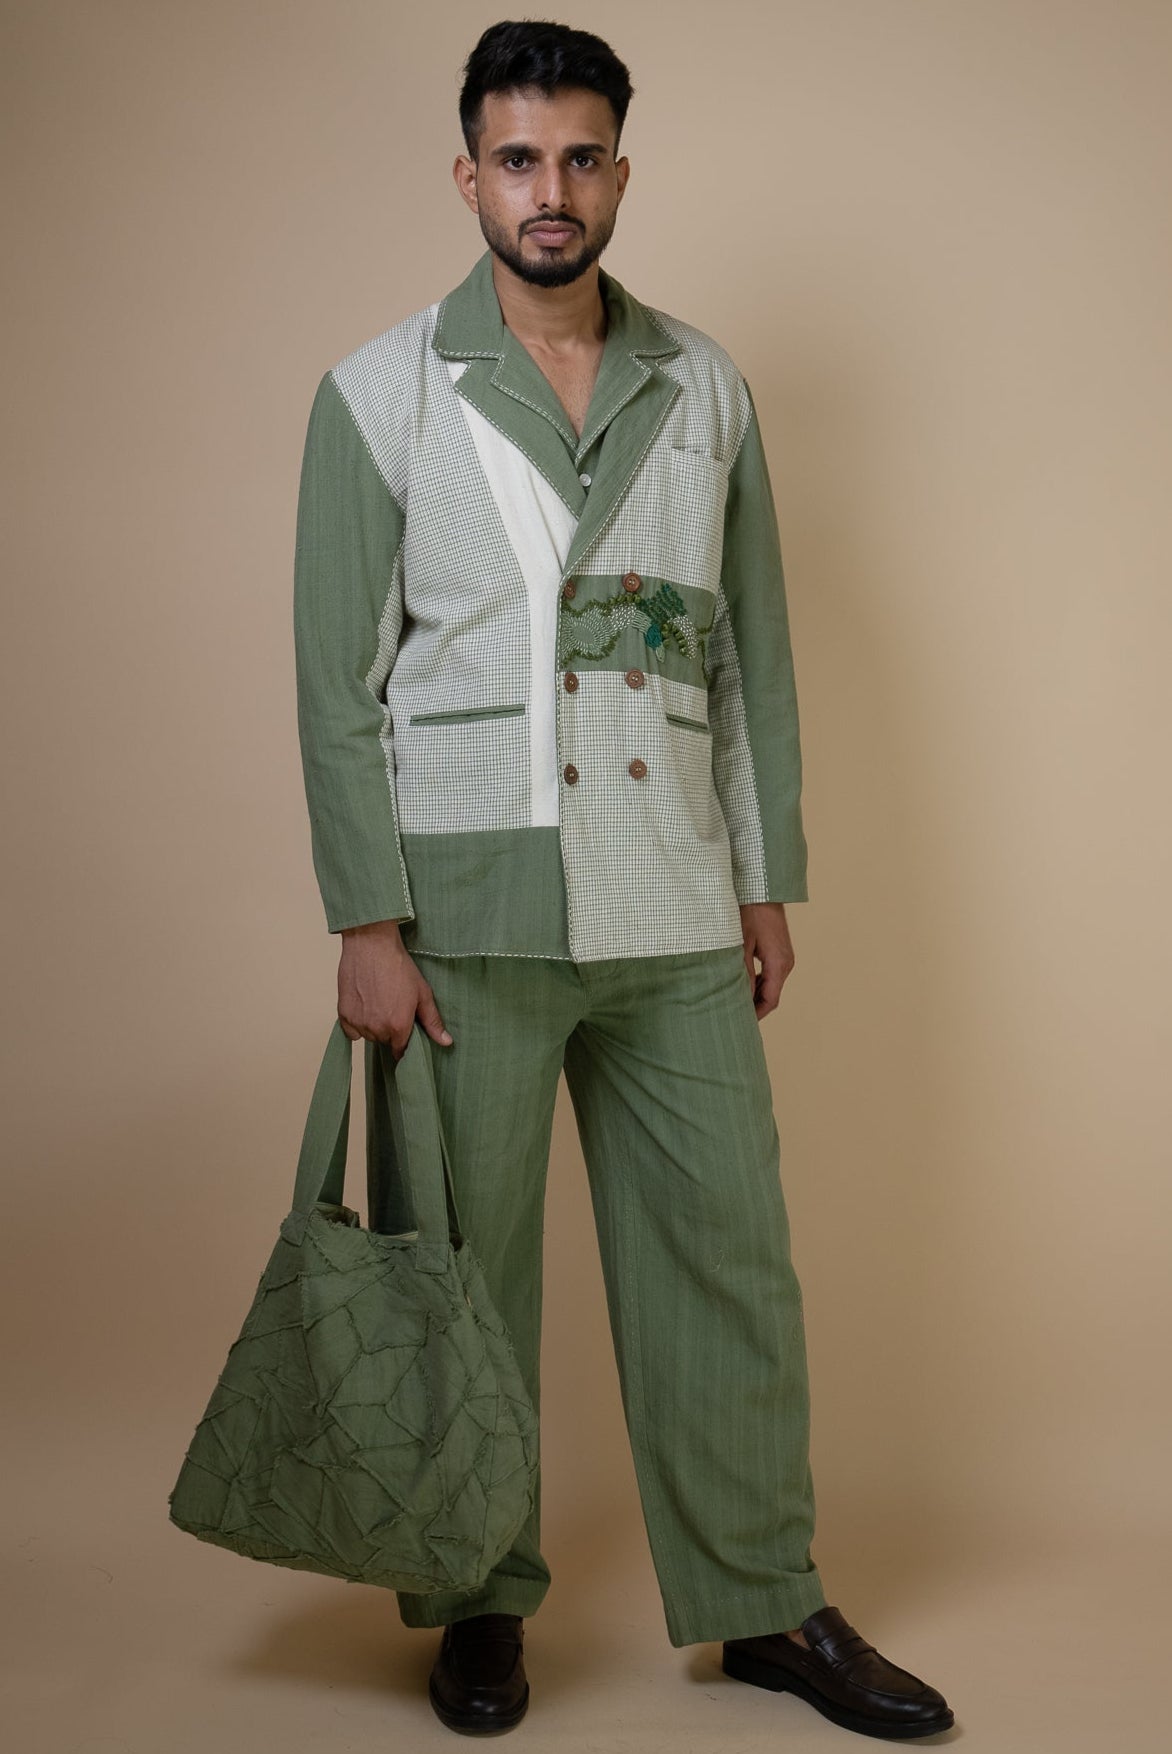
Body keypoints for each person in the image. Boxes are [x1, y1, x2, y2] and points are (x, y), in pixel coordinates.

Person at [292, 17, 955, 1742]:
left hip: (673, 897)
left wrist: (764, 878)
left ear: (620, 173)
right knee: (463, 1279)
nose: (552, 190)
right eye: (520, 158)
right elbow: (335, 683)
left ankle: (762, 1598)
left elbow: (747, 659)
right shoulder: (376, 394)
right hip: (465, 913)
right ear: (468, 176)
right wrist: (365, 917)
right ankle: (476, 1598)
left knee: (731, 1258)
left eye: (581, 157)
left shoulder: (706, 387)